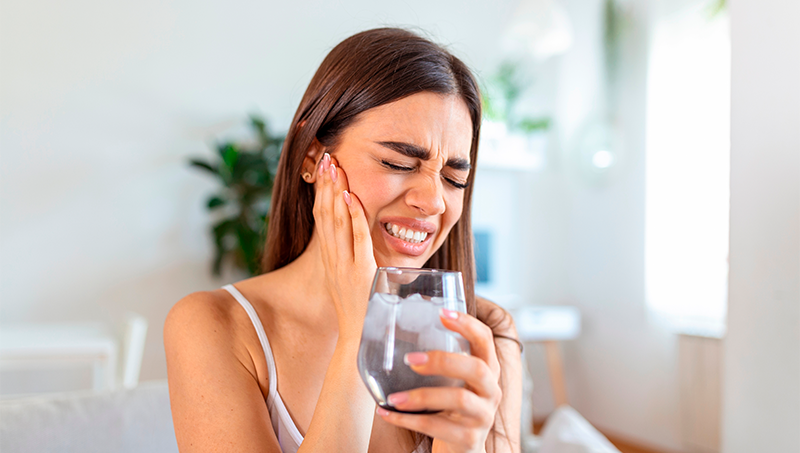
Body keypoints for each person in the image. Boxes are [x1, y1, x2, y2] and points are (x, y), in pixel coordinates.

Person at [164, 28, 523, 453]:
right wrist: (358, 333)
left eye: (453, 178)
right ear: (313, 157)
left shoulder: (486, 333)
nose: (432, 202)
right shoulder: (215, 327)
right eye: (398, 162)